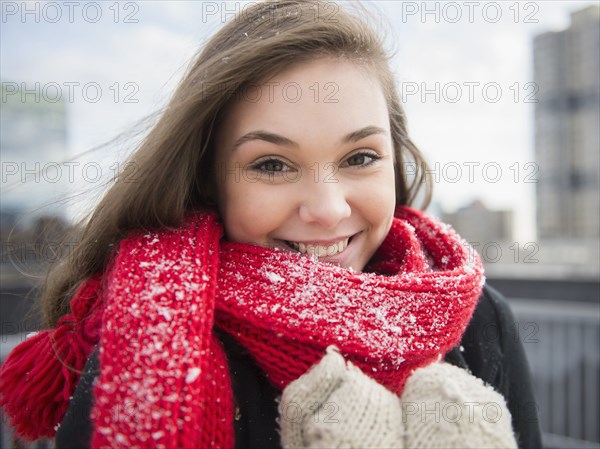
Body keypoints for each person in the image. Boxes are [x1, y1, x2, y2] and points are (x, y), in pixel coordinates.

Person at [0, 1, 542, 448]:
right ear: (211, 179)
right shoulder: (142, 345)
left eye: (359, 157)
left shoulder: (480, 320)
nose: (327, 209)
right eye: (272, 165)